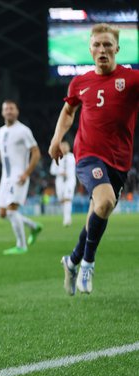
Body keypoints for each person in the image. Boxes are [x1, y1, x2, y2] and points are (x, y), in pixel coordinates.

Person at [48, 23, 138, 296]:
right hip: (87, 155)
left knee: (100, 211)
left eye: (107, 45)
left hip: (119, 161)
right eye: (97, 45)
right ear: (89, 48)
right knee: (106, 201)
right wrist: (56, 139)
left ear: (117, 49)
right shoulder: (80, 82)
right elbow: (68, 112)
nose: (102, 50)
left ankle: (72, 260)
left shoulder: (132, 80)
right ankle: (87, 263)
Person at [0, 100, 42, 255]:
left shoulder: (23, 130)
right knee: (3, 213)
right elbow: (3, 154)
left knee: (12, 211)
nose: (9, 111)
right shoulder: (1, 131)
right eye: (6, 109)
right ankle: (34, 227)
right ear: (2, 112)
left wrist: (26, 173)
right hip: (5, 178)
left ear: (17, 111)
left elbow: (36, 152)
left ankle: (21, 245)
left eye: (11, 109)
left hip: (18, 175)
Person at [49, 141, 77, 226]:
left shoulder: (73, 157)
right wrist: (59, 172)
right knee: (61, 199)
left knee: (67, 198)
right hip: (60, 181)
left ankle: (67, 219)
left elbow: (78, 166)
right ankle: (65, 216)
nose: (64, 148)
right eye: (63, 147)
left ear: (69, 148)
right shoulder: (57, 157)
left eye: (66, 147)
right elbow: (52, 170)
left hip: (70, 180)